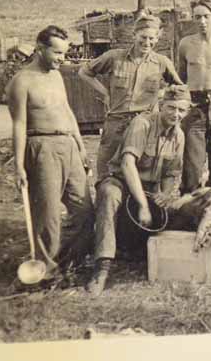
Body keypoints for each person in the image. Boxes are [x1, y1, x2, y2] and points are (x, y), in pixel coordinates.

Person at [6, 25, 94, 281]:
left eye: (64, 53)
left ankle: (70, 263)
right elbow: (19, 124)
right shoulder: (21, 82)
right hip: (41, 147)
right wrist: (19, 165)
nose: (61, 59)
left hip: (68, 145)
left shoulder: (57, 76)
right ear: (39, 49)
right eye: (56, 53)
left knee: (85, 209)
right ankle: (46, 272)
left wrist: (80, 146)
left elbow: (67, 111)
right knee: (48, 215)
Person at [86, 85, 191, 296]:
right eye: (171, 108)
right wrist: (143, 205)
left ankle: (137, 252)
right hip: (121, 182)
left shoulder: (179, 135)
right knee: (109, 195)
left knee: (178, 212)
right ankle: (102, 267)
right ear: (161, 105)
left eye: (181, 110)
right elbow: (127, 165)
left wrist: (165, 195)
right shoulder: (142, 124)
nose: (176, 114)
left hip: (149, 189)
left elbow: (171, 173)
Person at [78, 14, 182, 180]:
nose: (147, 42)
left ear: (157, 39)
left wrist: (162, 95)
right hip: (117, 122)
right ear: (134, 35)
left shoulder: (162, 62)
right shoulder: (114, 57)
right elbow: (84, 72)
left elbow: (180, 88)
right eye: (143, 37)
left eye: (151, 38)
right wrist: (105, 93)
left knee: (142, 170)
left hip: (145, 124)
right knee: (106, 170)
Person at [177, 0, 211, 194]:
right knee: (192, 163)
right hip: (195, 105)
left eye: (206, 16)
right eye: (197, 17)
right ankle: (189, 204)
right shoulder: (186, 44)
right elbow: (181, 77)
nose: (201, 21)